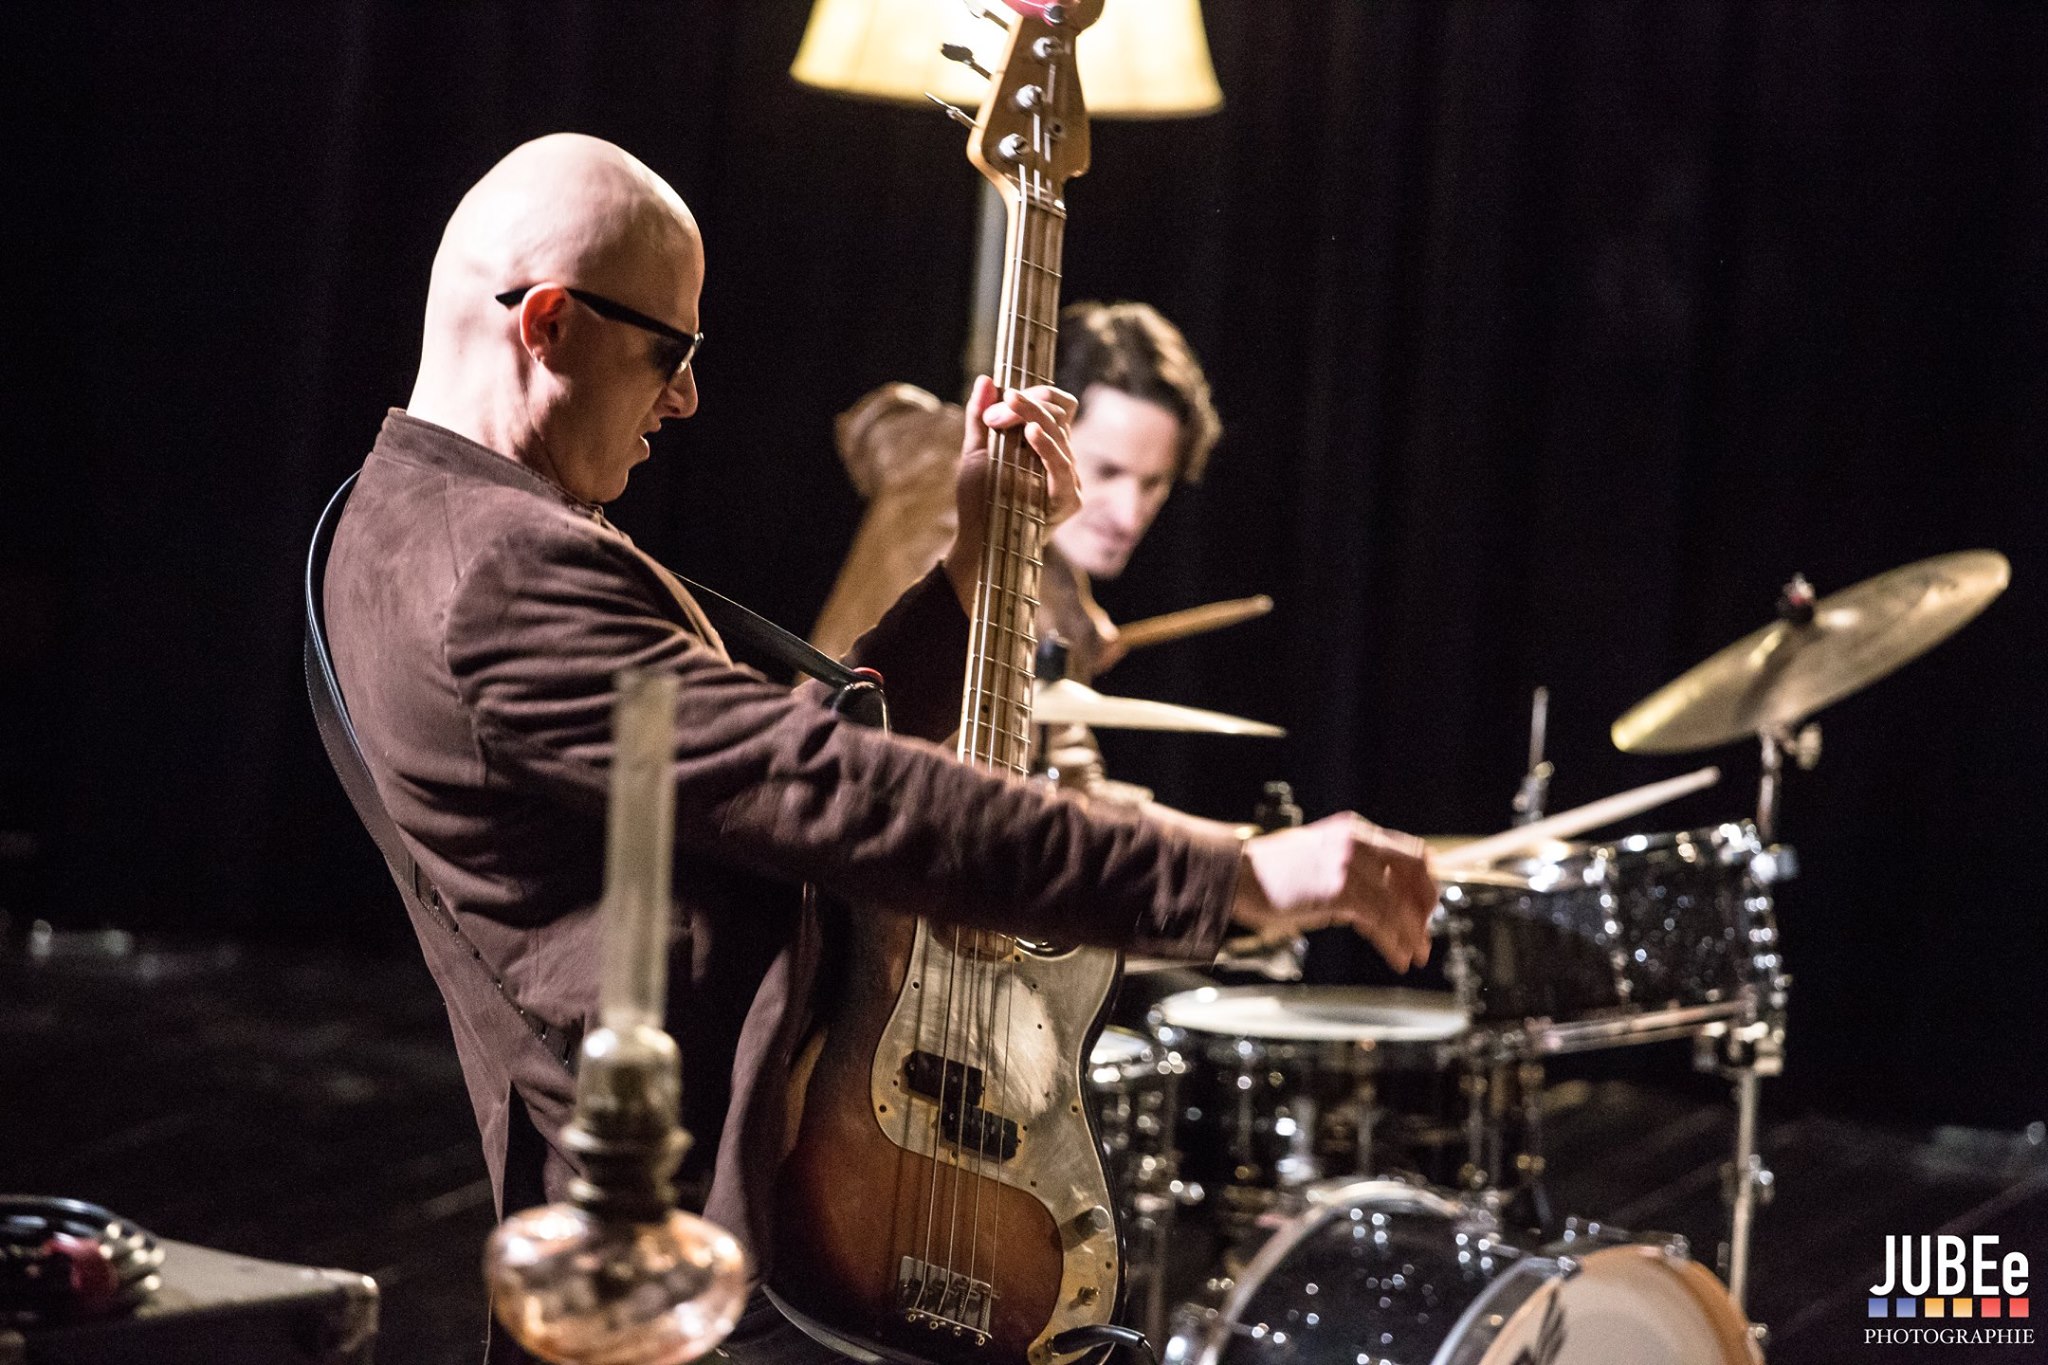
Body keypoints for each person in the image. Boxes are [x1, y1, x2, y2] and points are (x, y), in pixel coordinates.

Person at [318, 133, 1435, 1363]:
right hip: (716, 1261)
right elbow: (830, 788)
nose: (684, 398)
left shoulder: (399, 517)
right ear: (548, 324)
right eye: (670, 354)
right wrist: (1234, 876)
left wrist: (968, 570)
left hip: (726, 1220)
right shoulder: (501, 573)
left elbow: (773, 757)